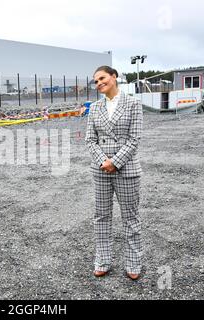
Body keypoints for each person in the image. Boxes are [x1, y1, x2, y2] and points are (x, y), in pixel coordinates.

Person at [85, 66, 143, 280]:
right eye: (96, 81)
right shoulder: (95, 107)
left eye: (102, 78)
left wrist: (115, 162)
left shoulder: (133, 104)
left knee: (130, 218)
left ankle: (134, 262)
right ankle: (102, 261)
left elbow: (134, 139)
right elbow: (90, 140)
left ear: (114, 77)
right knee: (101, 217)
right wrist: (103, 161)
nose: (99, 83)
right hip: (100, 171)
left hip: (126, 169)